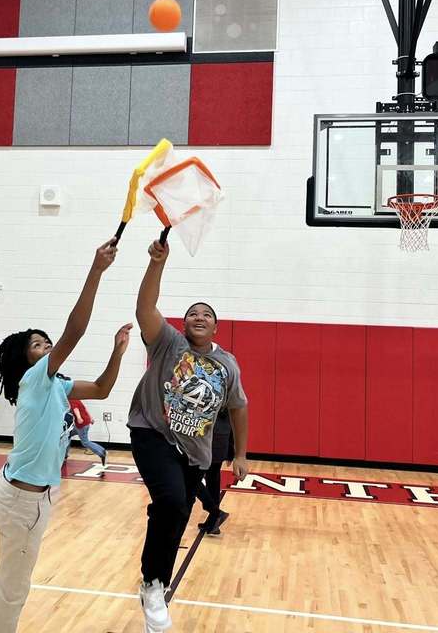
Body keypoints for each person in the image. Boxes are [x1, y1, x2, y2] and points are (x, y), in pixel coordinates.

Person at [0, 238, 130, 633]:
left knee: (10, 583)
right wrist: (96, 270)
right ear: (25, 359)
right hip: (21, 500)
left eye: (46, 342)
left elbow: (101, 389)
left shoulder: (56, 385)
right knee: (14, 588)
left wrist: (117, 352)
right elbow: (75, 330)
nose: (46, 346)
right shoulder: (34, 379)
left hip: (32, 495)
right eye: (38, 345)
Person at [129, 239, 249, 632]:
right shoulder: (168, 342)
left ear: (216, 326)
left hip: (195, 452)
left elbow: (239, 406)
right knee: (172, 502)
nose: (199, 316)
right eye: (192, 313)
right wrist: (156, 264)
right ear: (183, 323)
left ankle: (154, 577)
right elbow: (145, 308)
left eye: (207, 314)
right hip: (152, 433)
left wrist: (242, 454)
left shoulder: (227, 363)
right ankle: (153, 584)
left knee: (176, 511)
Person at [194, 407, 234, 535]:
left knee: (190, 477)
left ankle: (215, 513)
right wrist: (230, 450)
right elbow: (234, 417)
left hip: (208, 438)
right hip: (221, 438)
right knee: (213, 480)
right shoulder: (227, 391)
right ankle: (213, 522)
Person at [67, 397, 108, 466]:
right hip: (84, 423)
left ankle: (101, 452)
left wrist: (79, 418)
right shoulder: (77, 399)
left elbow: (75, 409)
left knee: (85, 442)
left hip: (82, 424)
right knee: (68, 434)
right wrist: (91, 418)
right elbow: (85, 409)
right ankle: (65, 455)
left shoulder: (71, 400)